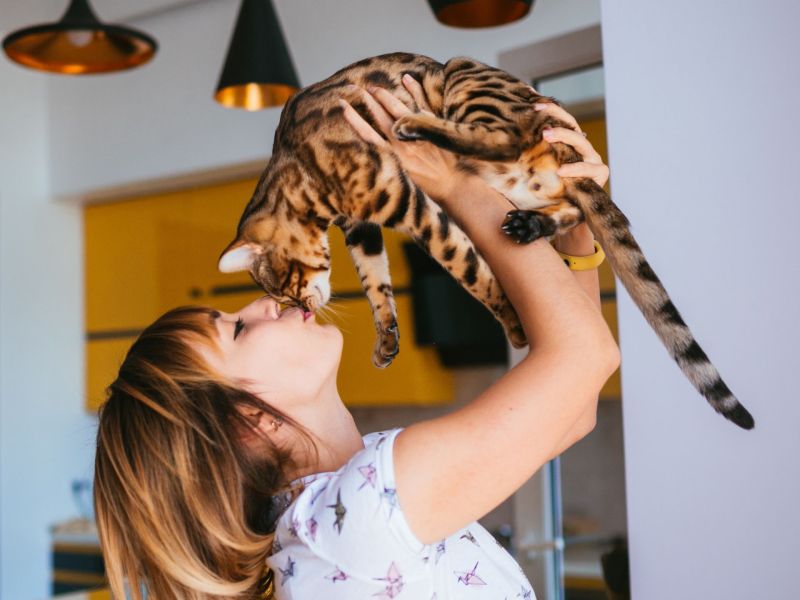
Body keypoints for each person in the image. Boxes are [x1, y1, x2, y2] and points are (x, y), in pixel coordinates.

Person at [93, 76, 620, 600]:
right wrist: (458, 183)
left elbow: (573, 414)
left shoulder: (332, 516)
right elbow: (584, 357)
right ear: (249, 418)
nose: (262, 303)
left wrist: (573, 234)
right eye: (235, 328)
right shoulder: (360, 515)